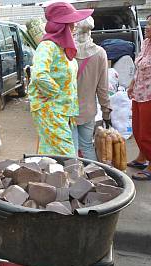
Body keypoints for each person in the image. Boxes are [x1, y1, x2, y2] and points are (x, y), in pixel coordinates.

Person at [28, 2, 93, 156]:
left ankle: (48, 178)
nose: (75, 27)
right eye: (71, 24)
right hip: (51, 109)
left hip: (62, 111)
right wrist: (57, 94)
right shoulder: (48, 46)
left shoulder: (61, 48)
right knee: (68, 156)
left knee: (51, 154)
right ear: (61, 26)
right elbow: (39, 75)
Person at [72, 16, 111, 160]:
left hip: (67, 111)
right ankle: (95, 178)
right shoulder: (100, 53)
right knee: (87, 146)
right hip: (88, 111)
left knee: (72, 150)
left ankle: (75, 179)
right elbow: (103, 89)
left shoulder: (66, 51)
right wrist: (106, 112)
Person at [127, 14, 151, 180]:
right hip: (139, 93)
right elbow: (139, 67)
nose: (146, 26)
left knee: (146, 133)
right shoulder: (146, 43)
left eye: (149, 25)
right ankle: (142, 157)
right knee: (137, 129)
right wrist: (132, 84)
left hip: (149, 96)